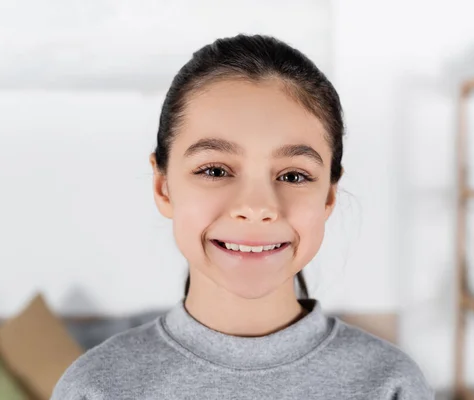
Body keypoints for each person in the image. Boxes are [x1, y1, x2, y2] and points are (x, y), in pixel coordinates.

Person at [51, 34, 433, 399]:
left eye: (293, 175)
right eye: (215, 170)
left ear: (329, 196)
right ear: (163, 187)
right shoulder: (97, 387)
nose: (256, 207)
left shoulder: (390, 384)